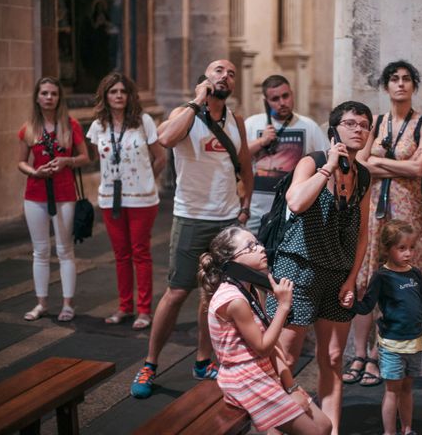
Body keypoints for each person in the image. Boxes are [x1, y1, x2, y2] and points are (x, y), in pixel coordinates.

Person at [130, 59, 253, 398]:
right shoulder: (185, 118)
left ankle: (203, 360)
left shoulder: (236, 122)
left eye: (230, 73)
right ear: (204, 79)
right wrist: (197, 100)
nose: (225, 76)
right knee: (177, 291)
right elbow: (165, 138)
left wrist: (245, 206)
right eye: (218, 71)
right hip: (191, 217)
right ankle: (150, 363)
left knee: (212, 294)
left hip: (227, 219)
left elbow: (245, 165)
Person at [265, 101, 372, 434]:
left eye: (365, 125)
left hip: (337, 275)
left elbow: (363, 236)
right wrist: (327, 168)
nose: (359, 129)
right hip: (297, 270)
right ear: (334, 130)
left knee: (335, 358)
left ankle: (332, 430)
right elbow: (296, 203)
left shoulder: (363, 175)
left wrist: (352, 280)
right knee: (284, 358)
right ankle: (271, 427)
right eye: (351, 123)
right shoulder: (313, 161)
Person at [346, 61, 422, 388]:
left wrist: (378, 163)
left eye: (406, 79)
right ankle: (359, 354)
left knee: (395, 287)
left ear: (414, 86)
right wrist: (397, 165)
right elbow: (358, 164)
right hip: (374, 212)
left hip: (407, 215)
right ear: (386, 87)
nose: (400, 84)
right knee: (365, 282)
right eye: (394, 79)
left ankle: (379, 353)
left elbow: (418, 169)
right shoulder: (377, 123)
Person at [201, 226, 332, 435]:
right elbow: (263, 347)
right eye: (251, 246)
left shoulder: (249, 287)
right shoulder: (234, 299)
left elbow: (272, 347)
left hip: (262, 369)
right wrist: (283, 306)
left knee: (325, 426)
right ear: (232, 260)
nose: (261, 249)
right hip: (244, 378)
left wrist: (291, 386)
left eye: (258, 243)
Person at [87, 72, 166, 330]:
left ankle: (144, 310)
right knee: (121, 255)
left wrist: (146, 180)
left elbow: (160, 158)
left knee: (140, 253)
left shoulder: (143, 121)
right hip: (111, 199)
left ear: (130, 95)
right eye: (113, 91)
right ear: (105, 96)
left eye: (122, 91)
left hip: (142, 199)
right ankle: (124, 306)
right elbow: (93, 157)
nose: (118, 96)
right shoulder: (99, 125)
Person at [342, 220, 422, 435]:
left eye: (412, 248)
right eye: (402, 248)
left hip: (415, 342)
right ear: (388, 248)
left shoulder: (415, 274)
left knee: (407, 389)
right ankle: (389, 432)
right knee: (393, 390)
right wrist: (351, 304)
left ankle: (407, 428)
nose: (408, 253)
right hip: (393, 344)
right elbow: (367, 306)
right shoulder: (381, 276)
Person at [17, 77, 90, 322]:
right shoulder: (28, 128)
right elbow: (21, 162)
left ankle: (68, 305)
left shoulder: (70, 125)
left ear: (59, 98)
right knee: (40, 251)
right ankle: (42, 303)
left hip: (64, 193)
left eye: (54, 94)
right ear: (37, 97)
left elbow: (84, 157)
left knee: (64, 250)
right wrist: (34, 172)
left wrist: (66, 161)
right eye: (45, 93)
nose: (49, 97)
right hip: (35, 193)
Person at [245, 74, 328, 233]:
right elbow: (236, 158)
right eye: (275, 99)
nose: (282, 102)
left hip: (291, 209)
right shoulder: (252, 124)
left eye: (285, 96)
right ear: (265, 102)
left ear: (292, 94)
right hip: (256, 210)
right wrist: (261, 142)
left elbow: (326, 159)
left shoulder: (309, 126)